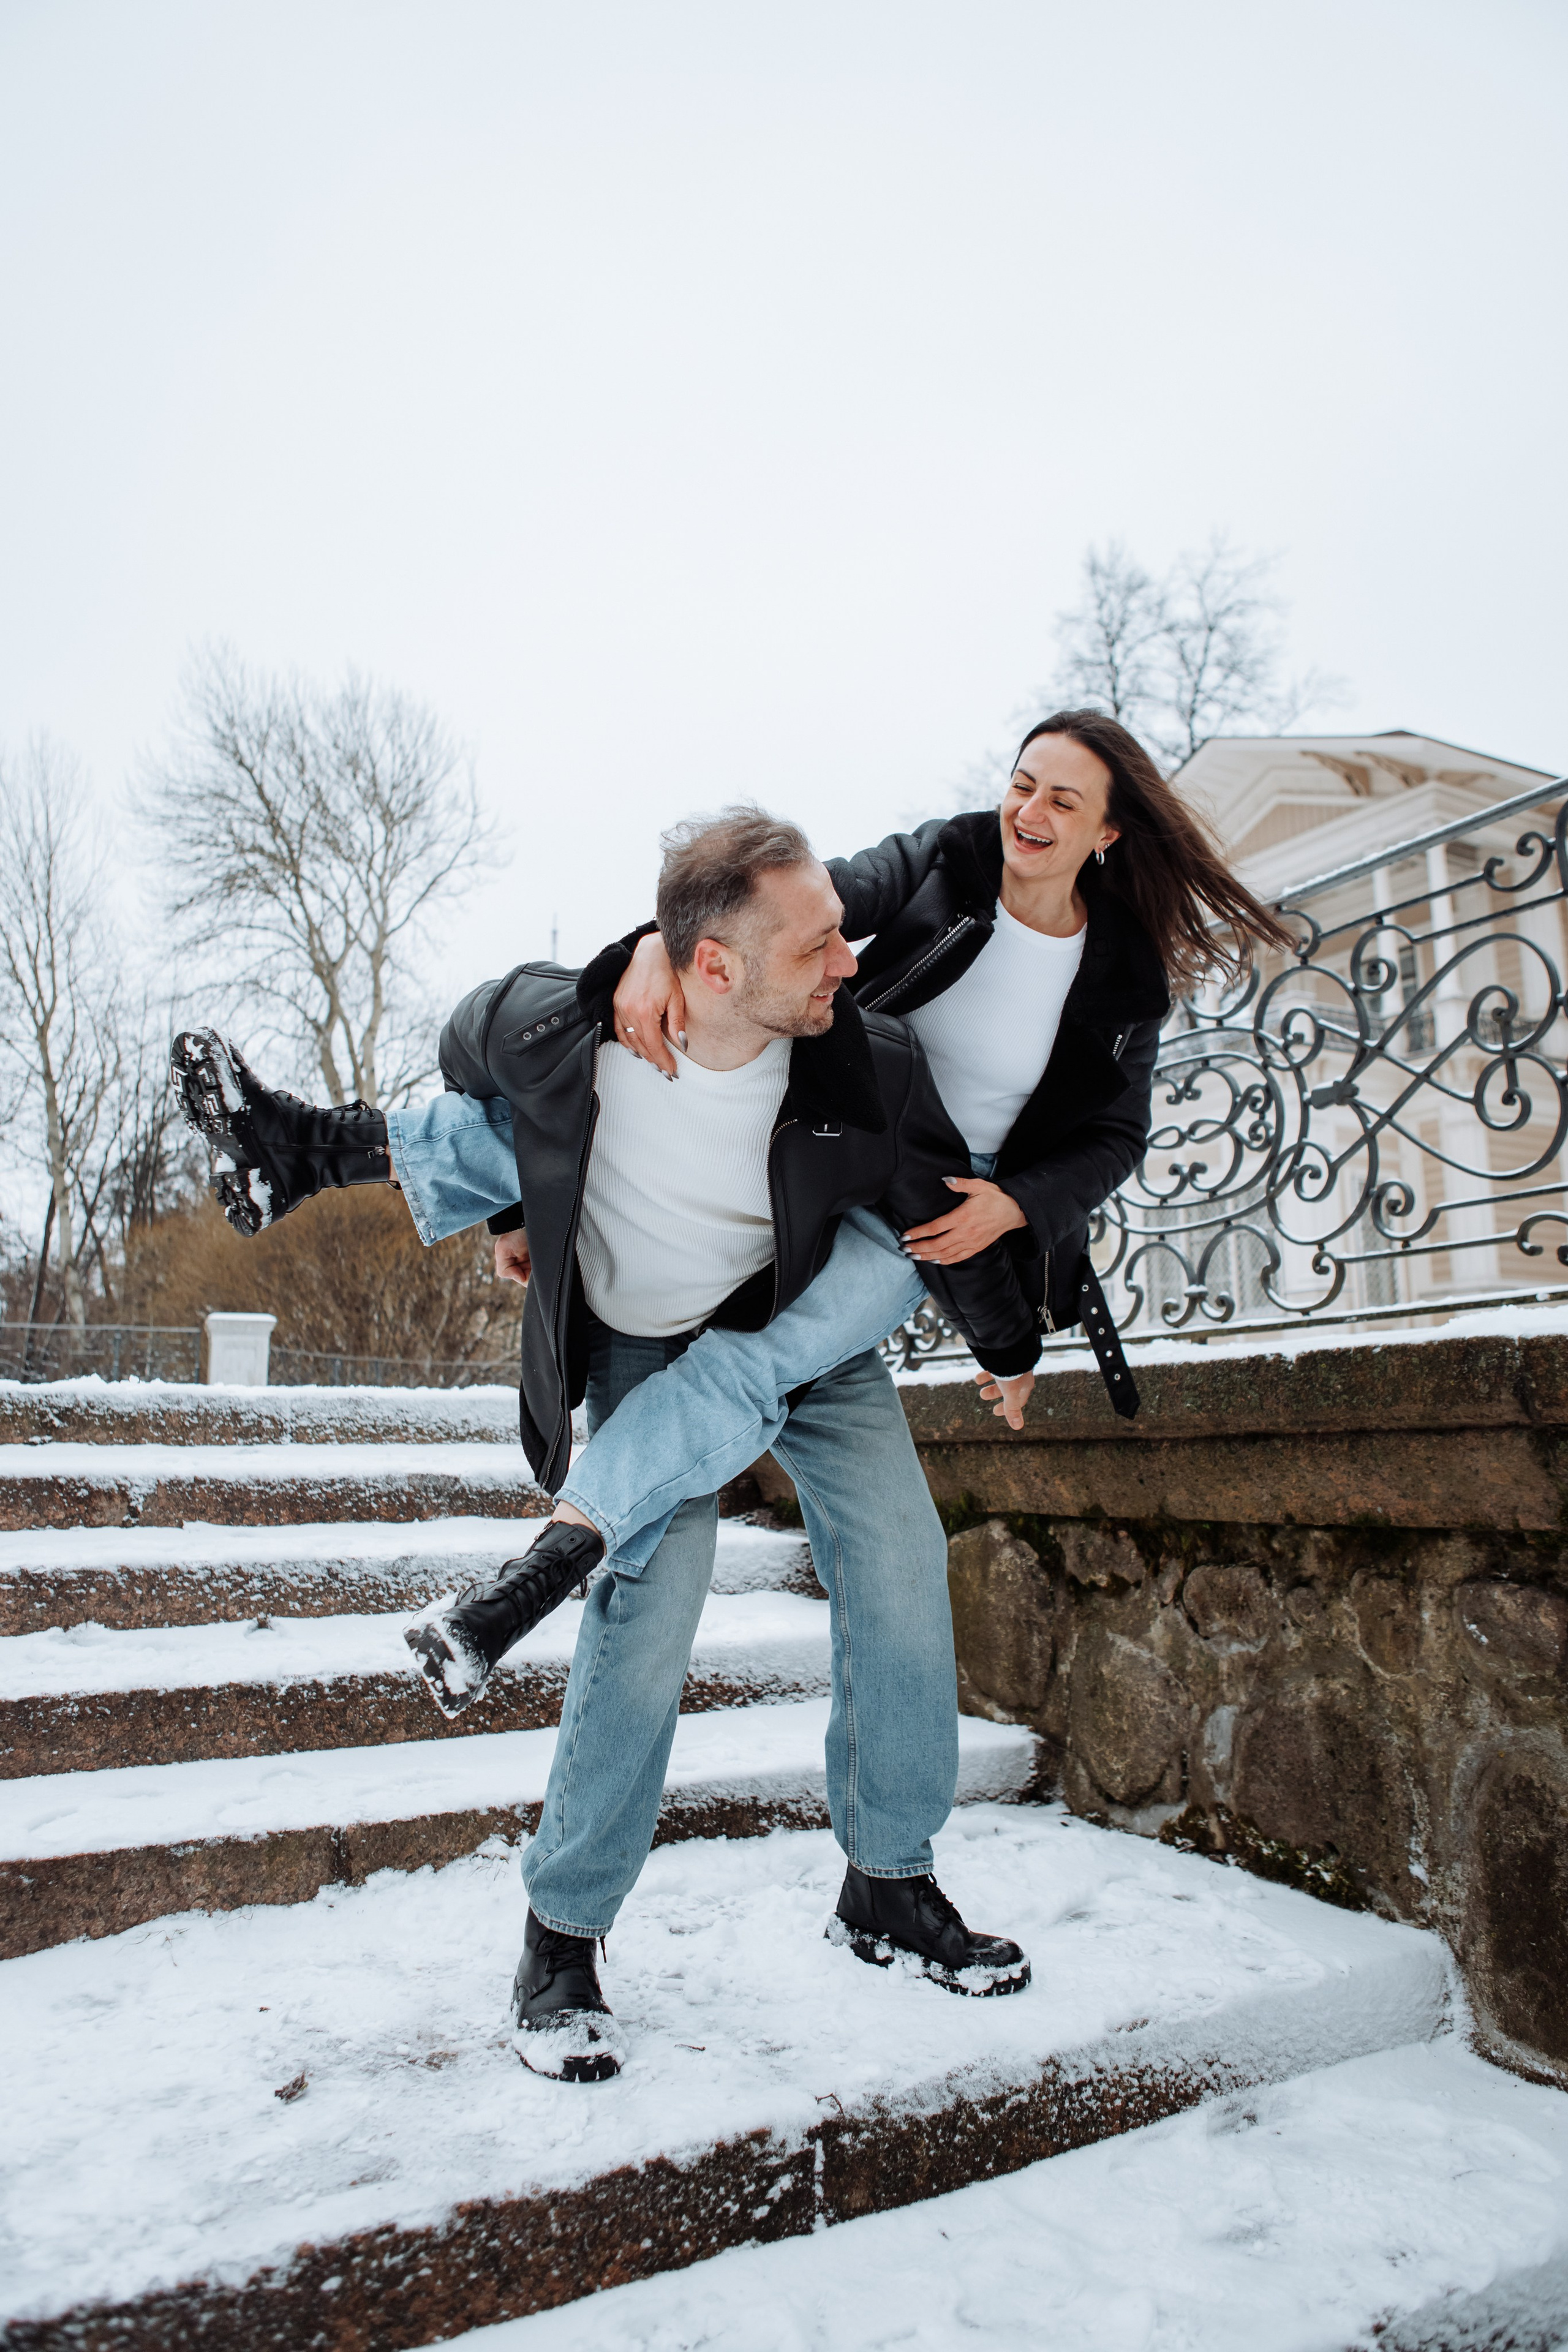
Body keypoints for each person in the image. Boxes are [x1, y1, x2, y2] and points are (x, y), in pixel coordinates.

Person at [172, 712, 1287, 2079]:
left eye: (1065, 799)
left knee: (894, 1558)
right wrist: (628, 976)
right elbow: (579, 1013)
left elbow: (1044, 1159)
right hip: (690, 1300)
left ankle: (887, 1875)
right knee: (652, 1606)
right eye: (1020, 784)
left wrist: (1012, 1311)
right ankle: (563, 1936)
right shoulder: (874, 902)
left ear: (1109, 828)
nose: (1030, 814)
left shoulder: (974, 1026)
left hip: (834, 1273)